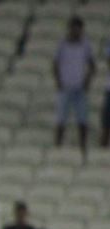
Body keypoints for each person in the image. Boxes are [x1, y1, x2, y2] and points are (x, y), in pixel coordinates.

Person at [53, 16, 94, 158]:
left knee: (82, 120)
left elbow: (91, 65)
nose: (76, 31)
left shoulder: (86, 45)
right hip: (65, 88)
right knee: (61, 119)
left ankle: (83, 148)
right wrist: (58, 82)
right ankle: (57, 148)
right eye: (73, 28)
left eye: (78, 28)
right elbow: (55, 64)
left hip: (79, 88)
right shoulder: (62, 45)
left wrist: (87, 82)